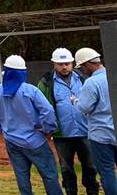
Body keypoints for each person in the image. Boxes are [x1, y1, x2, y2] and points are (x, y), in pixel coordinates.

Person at [0, 54, 64, 195]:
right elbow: (48, 110)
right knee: (49, 175)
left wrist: (0, 126)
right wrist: (48, 129)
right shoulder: (30, 90)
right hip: (35, 141)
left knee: (22, 178)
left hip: (12, 141)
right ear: (23, 73)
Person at [37, 48, 99, 195]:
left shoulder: (83, 77)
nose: (64, 67)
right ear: (54, 64)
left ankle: (92, 191)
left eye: (67, 63)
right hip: (62, 135)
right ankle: (71, 191)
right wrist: (47, 128)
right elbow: (41, 106)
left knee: (90, 166)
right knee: (66, 168)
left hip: (85, 131)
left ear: (72, 63)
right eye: (60, 64)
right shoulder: (46, 82)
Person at [76, 47, 117, 195]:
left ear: (88, 64)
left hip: (100, 135)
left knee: (107, 172)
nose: (81, 70)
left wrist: (75, 101)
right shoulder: (113, 75)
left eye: (81, 67)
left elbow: (84, 107)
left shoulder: (91, 82)